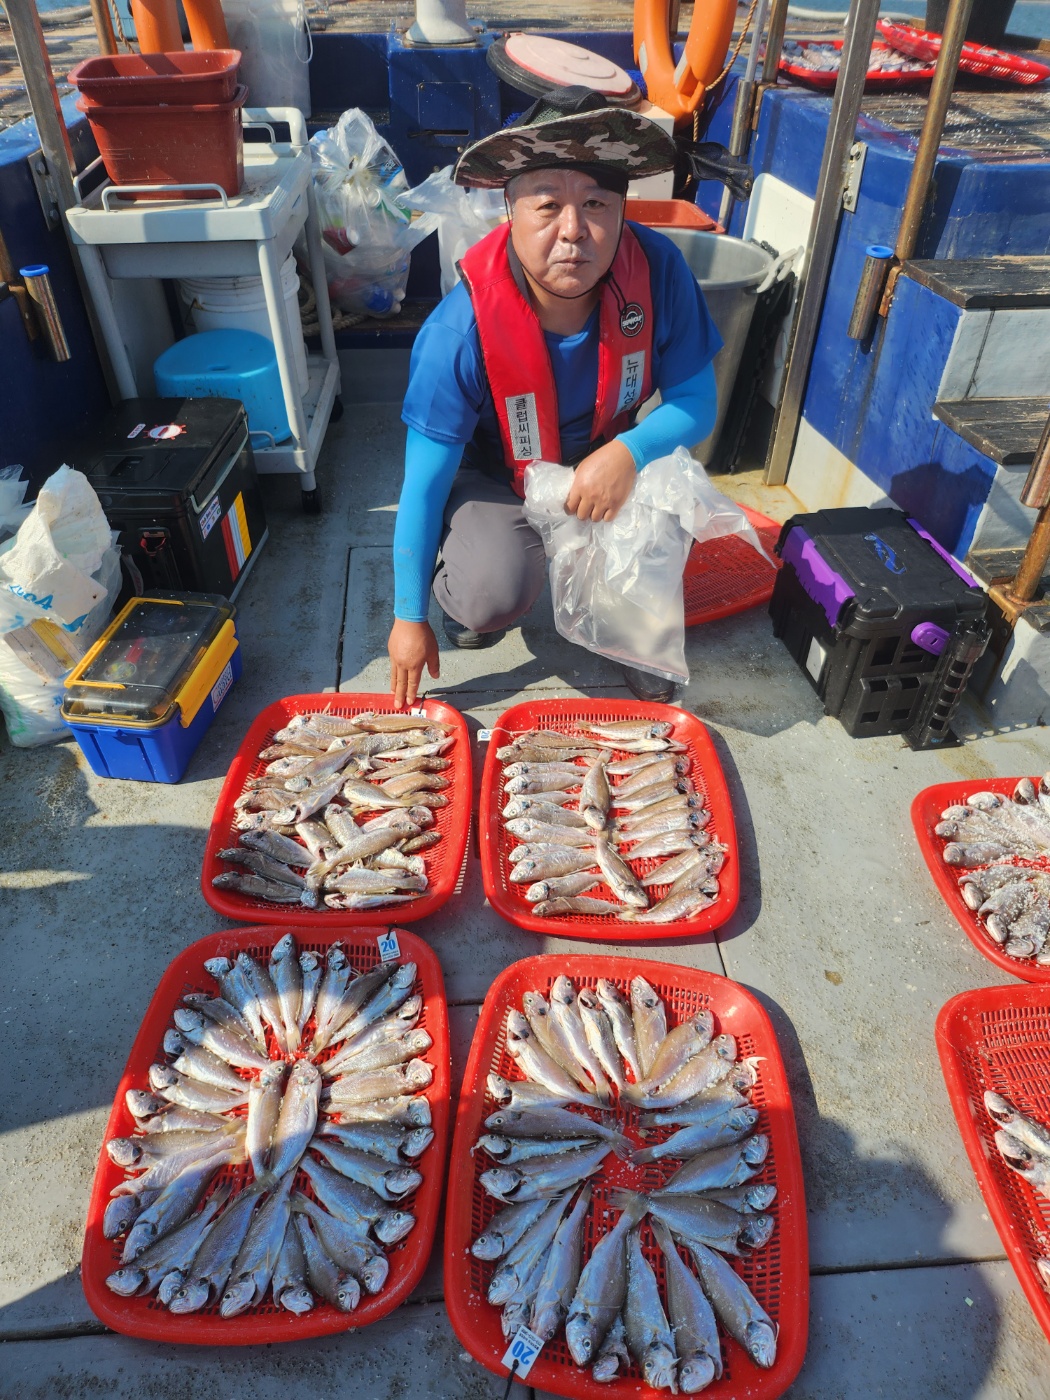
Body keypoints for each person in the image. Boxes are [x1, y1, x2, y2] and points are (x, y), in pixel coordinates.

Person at [387, 87, 722, 708]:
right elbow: (422, 485)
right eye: (547, 206)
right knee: (490, 594)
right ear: (509, 212)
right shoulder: (457, 331)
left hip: (606, 457)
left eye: (596, 204)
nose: (573, 232)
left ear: (622, 212)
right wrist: (408, 619)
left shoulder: (659, 272)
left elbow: (697, 401)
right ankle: (465, 579)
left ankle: (633, 635)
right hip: (498, 476)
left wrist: (628, 453)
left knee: (672, 506)